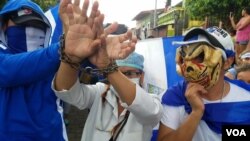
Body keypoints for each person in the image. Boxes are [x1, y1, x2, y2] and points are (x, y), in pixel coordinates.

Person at [51, 2, 163, 141]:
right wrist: (72, 57)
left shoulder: (153, 101)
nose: (122, 78)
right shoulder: (100, 92)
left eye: (129, 73)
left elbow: (149, 112)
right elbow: (66, 92)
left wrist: (108, 67)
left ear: (142, 76)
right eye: (119, 73)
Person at [157, 26, 250, 141]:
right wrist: (196, 113)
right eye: (185, 55)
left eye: (201, 56)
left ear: (227, 62)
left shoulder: (246, 98)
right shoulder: (176, 96)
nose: (189, 64)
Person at [0, 0, 68, 140]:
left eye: (36, 25)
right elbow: (7, 69)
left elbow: (85, 76)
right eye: (21, 24)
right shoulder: (55, 54)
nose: (30, 30)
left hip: (53, 135)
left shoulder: (57, 57)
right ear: (4, 26)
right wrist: (62, 49)